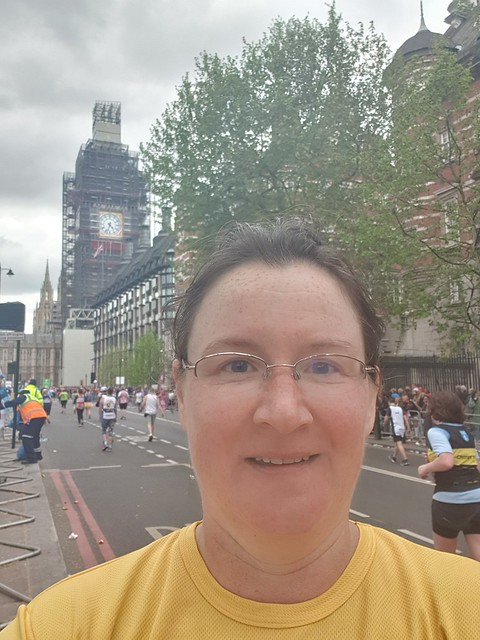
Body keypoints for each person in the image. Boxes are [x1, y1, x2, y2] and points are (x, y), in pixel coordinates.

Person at [2, 218, 480, 638]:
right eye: (235, 365)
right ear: (182, 393)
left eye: (323, 366)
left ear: (372, 394)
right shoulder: (62, 627)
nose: (284, 411)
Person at [418, 390, 480, 560]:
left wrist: (426, 468)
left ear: (434, 411)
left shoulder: (437, 431)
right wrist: (433, 460)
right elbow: (475, 464)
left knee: (445, 559)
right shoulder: (465, 432)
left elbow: (446, 461)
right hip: (476, 498)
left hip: (449, 500)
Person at [1, 385, 47, 464]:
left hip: (34, 418)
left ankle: (31, 458)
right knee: (35, 436)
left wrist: (3, 405)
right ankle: (38, 455)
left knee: (26, 437)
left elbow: (14, 402)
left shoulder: (24, 397)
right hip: (41, 417)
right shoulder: (33, 398)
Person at [384, 397, 410, 466]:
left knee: (399, 443)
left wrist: (385, 424)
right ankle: (394, 457)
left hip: (396, 428)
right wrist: (408, 427)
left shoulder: (390, 409)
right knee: (397, 443)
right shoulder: (400, 408)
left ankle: (405, 459)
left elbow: (386, 419)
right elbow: (405, 418)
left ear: (389, 402)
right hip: (402, 427)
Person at [99, 387, 116, 451]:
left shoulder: (103, 398)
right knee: (111, 431)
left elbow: (100, 407)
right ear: (113, 392)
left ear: (107, 392)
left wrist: (100, 415)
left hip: (105, 415)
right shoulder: (114, 399)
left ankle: (105, 443)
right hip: (112, 416)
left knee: (104, 430)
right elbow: (115, 408)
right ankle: (110, 446)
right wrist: (115, 417)